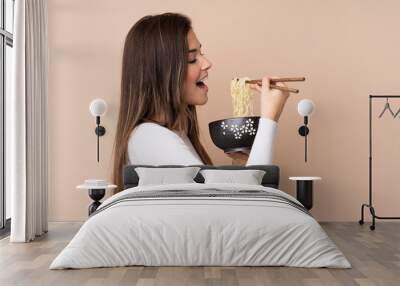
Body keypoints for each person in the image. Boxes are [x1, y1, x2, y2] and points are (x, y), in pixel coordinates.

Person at [112, 13, 290, 192]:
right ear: (160, 73)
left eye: (201, 53)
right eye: (192, 59)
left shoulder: (175, 134)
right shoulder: (150, 137)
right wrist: (269, 118)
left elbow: (220, 205)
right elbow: (247, 202)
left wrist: (242, 166)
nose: (207, 63)